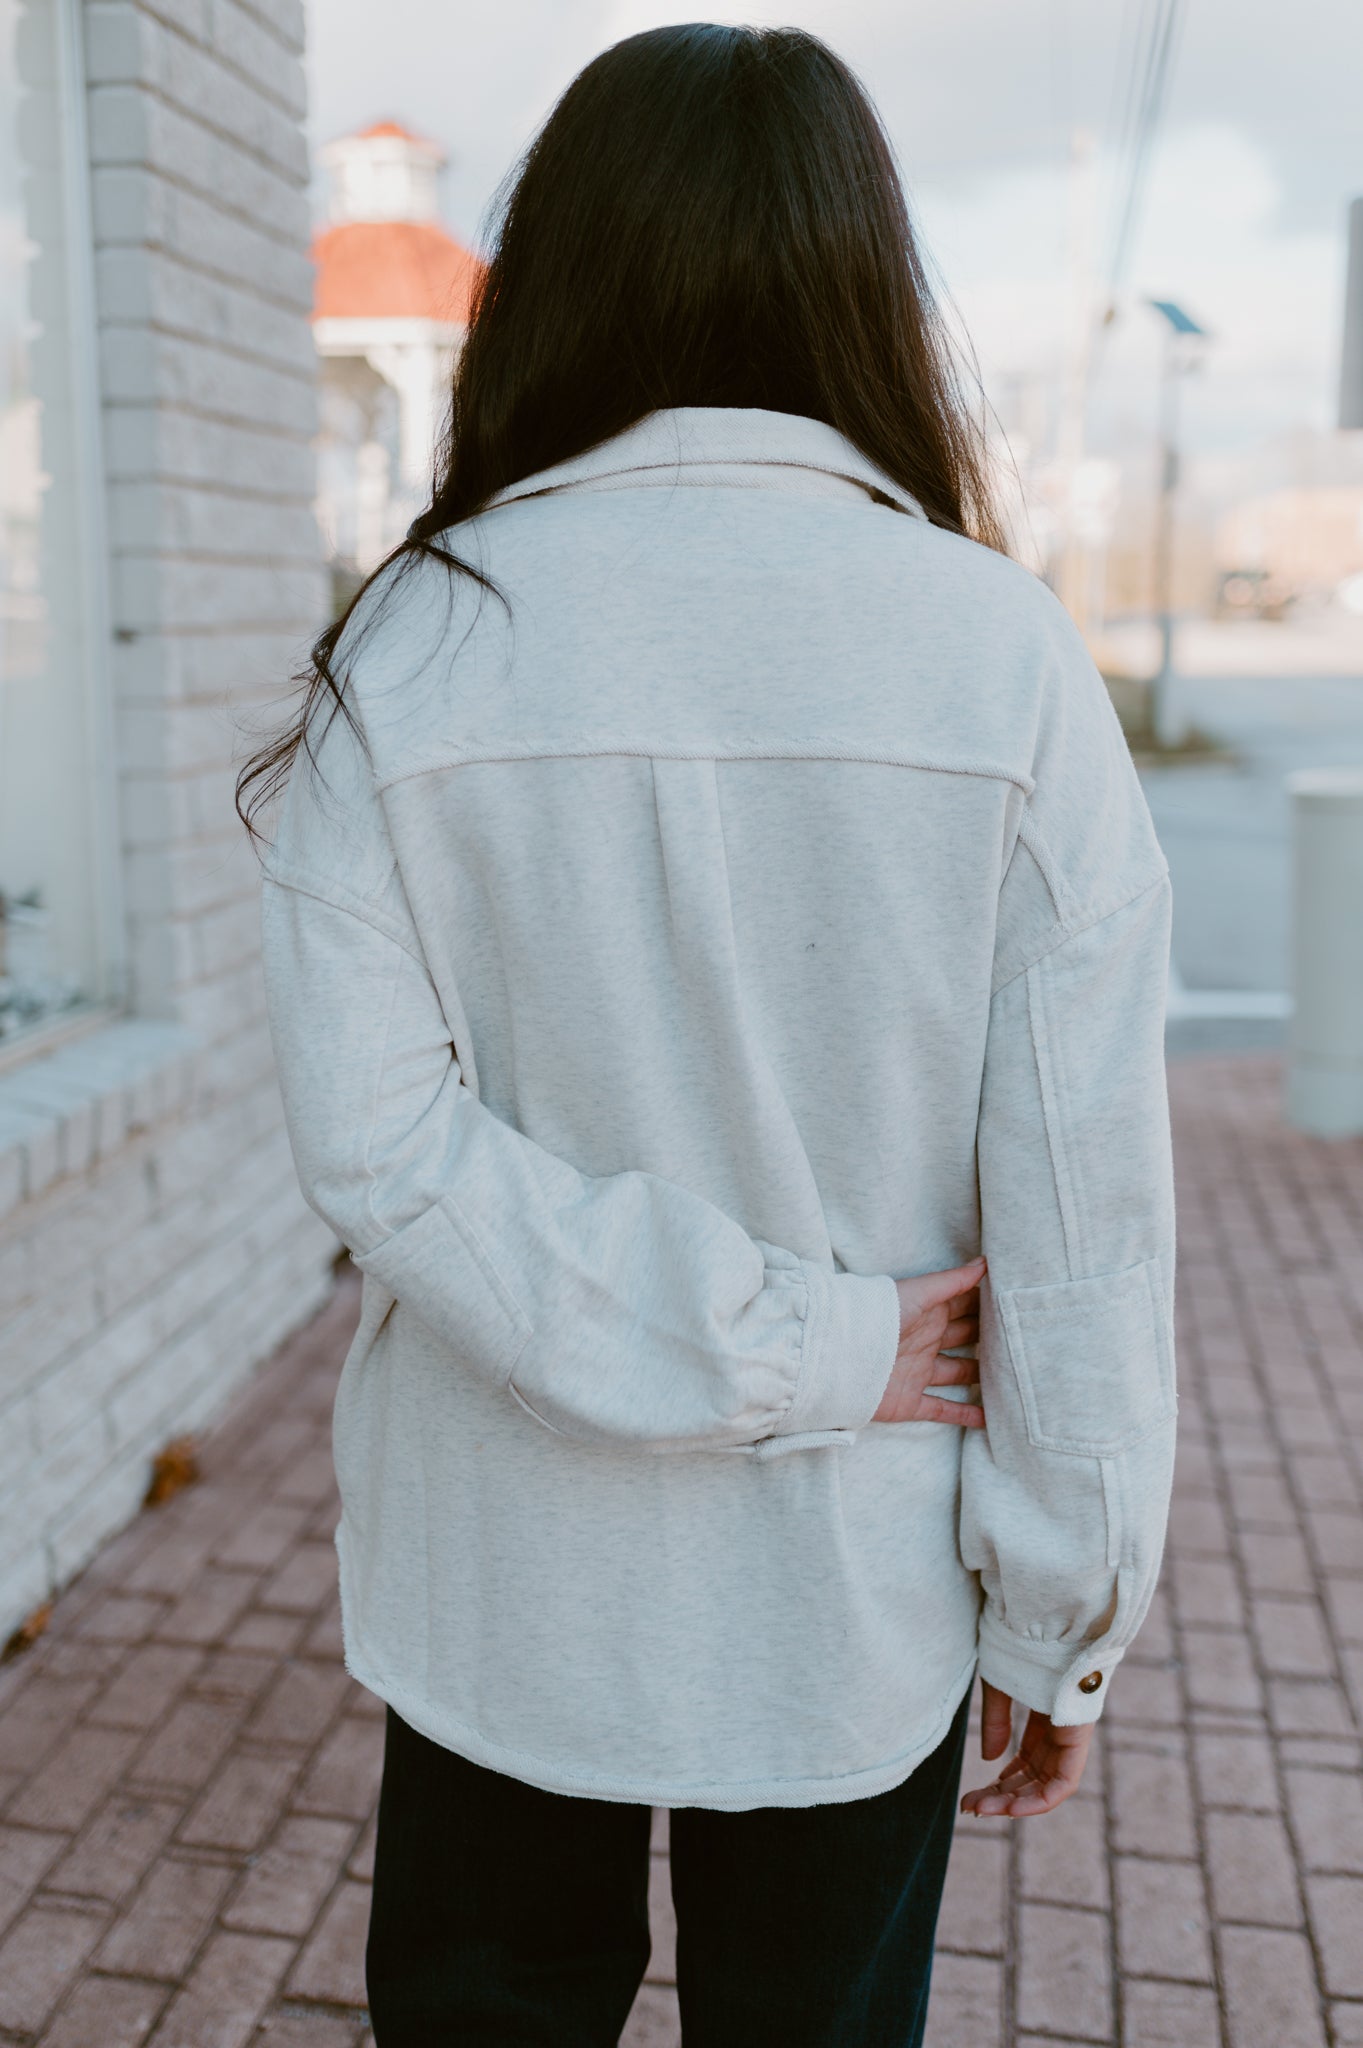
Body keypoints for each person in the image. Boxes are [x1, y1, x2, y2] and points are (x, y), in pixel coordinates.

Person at [243, 23, 1177, 2047]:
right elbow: (1084, 1205)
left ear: (555, 272)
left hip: (505, 1574)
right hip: (848, 1592)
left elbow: (380, 1152)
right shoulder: (996, 649)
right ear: (866, 281)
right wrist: (1056, 1608)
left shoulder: (423, 635)